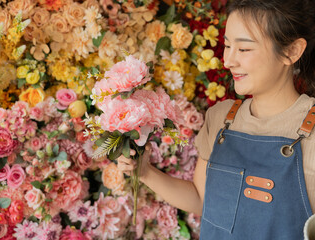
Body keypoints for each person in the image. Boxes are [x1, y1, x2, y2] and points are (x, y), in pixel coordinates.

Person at [117, 0, 315, 239]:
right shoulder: (222, 117)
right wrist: (145, 172)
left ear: (291, 51)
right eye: (227, 46)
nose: (228, 61)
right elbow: (202, 200)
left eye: (243, 49)